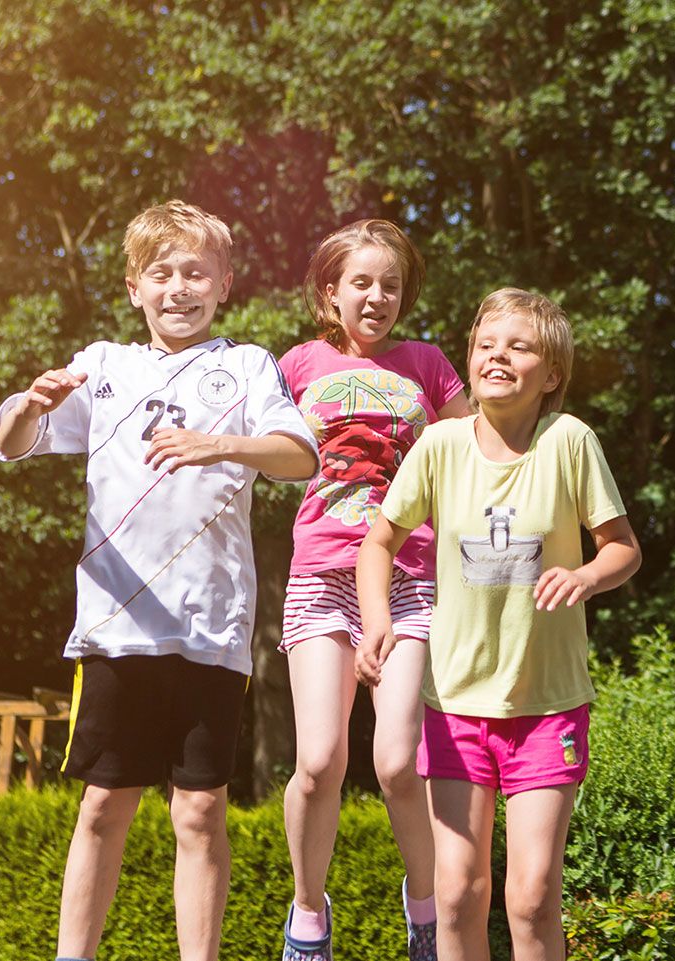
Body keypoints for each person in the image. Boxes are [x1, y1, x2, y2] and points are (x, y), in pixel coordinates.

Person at [0, 200, 320, 961]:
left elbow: (300, 456)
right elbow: (12, 443)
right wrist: (29, 405)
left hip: (212, 629)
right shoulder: (105, 364)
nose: (180, 287)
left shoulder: (245, 365)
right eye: (162, 273)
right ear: (135, 285)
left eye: (196, 272)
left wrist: (219, 443)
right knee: (103, 804)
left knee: (200, 811)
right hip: (115, 628)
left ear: (225, 284)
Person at [354, 288, 642, 961]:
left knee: (533, 895)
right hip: (454, 704)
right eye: (486, 344)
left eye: (518, 346)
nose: (497, 356)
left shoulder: (568, 441)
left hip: (547, 705)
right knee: (455, 895)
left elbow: (624, 548)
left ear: (553, 374)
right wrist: (376, 622)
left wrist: (586, 575)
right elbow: (378, 542)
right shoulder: (440, 444)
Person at [276, 219, 470, 961]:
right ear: (331, 291)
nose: (377, 296)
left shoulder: (428, 364)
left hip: (411, 577)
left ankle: (422, 912)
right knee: (320, 760)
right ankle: (307, 911)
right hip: (321, 574)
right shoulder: (296, 363)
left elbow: (473, 457)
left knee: (395, 762)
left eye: (391, 284)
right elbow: (266, 447)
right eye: (361, 281)